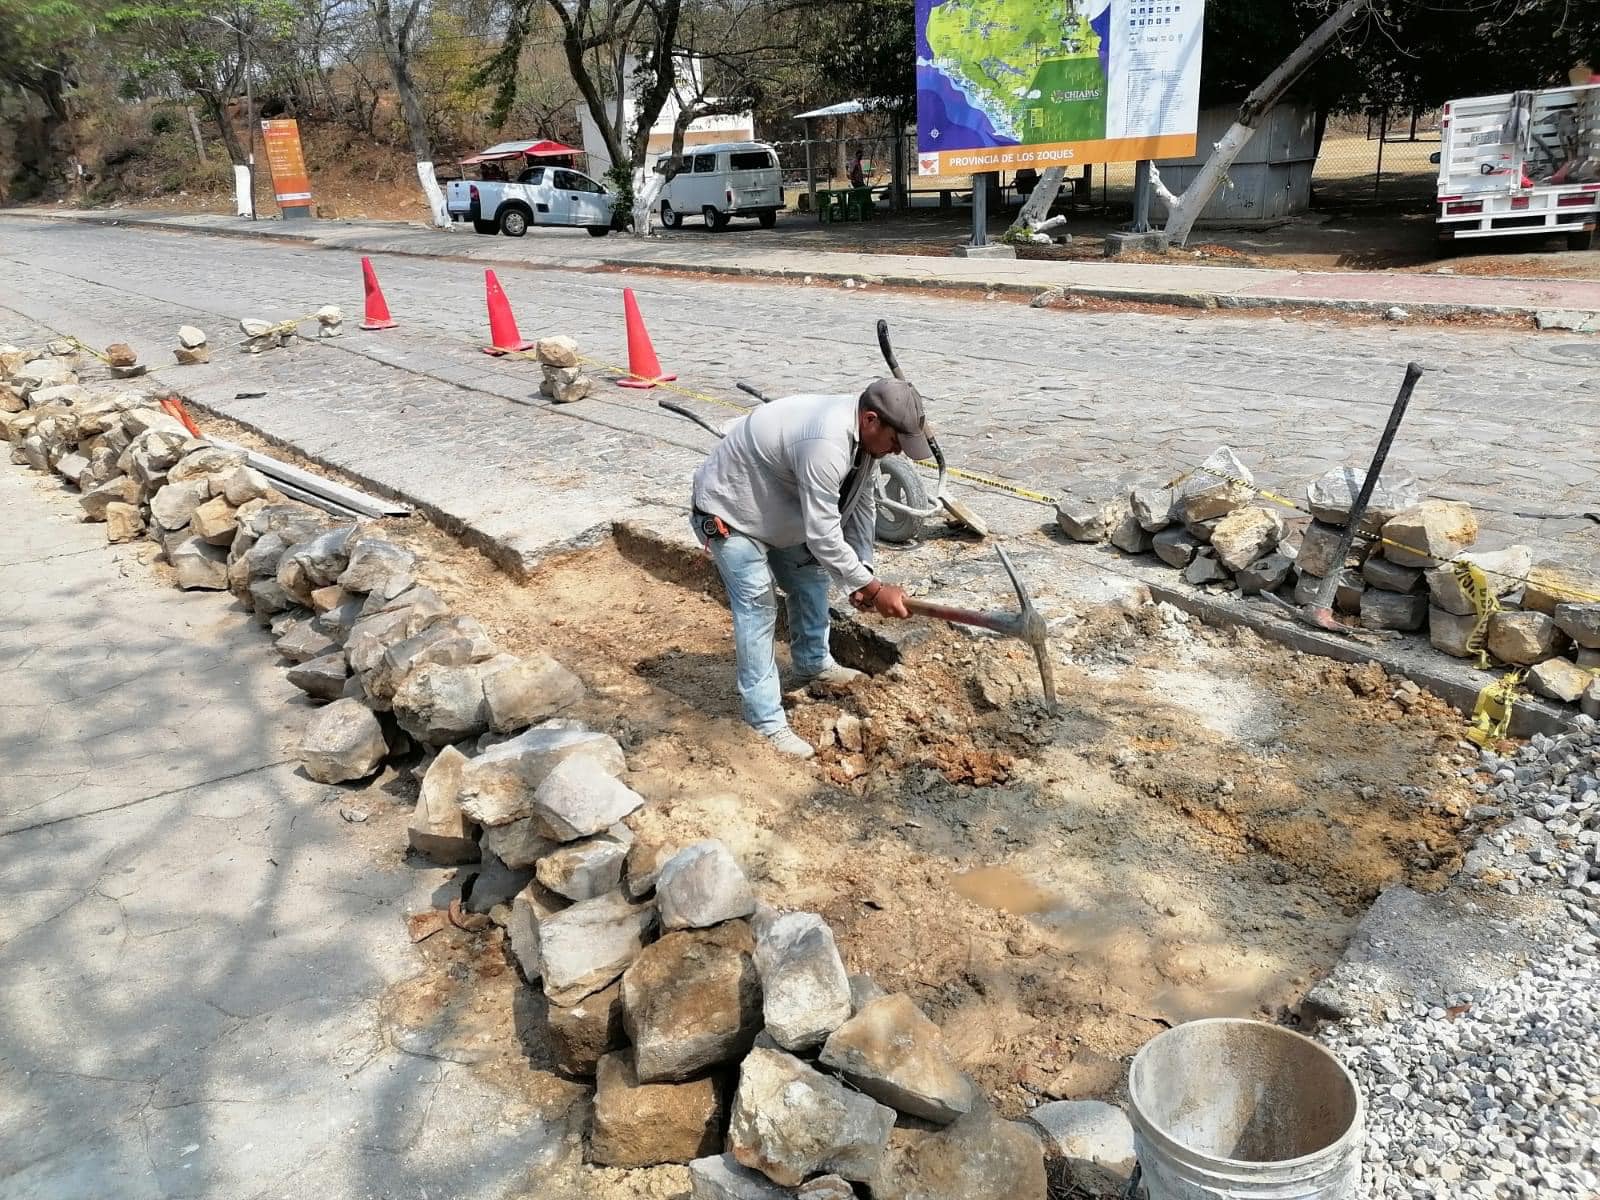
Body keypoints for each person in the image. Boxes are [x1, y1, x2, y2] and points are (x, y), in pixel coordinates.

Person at [691, 380, 930, 758]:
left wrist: (863, 569)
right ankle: (765, 722)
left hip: (782, 514)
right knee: (758, 608)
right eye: (896, 440)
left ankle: (813, 664)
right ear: (871, 419)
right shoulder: (825, 442)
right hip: (731, 512)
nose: (898, 450)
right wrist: (871, 588)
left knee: (810, 579)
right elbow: (822, 534)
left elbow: (860, 501)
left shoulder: (865, 440)